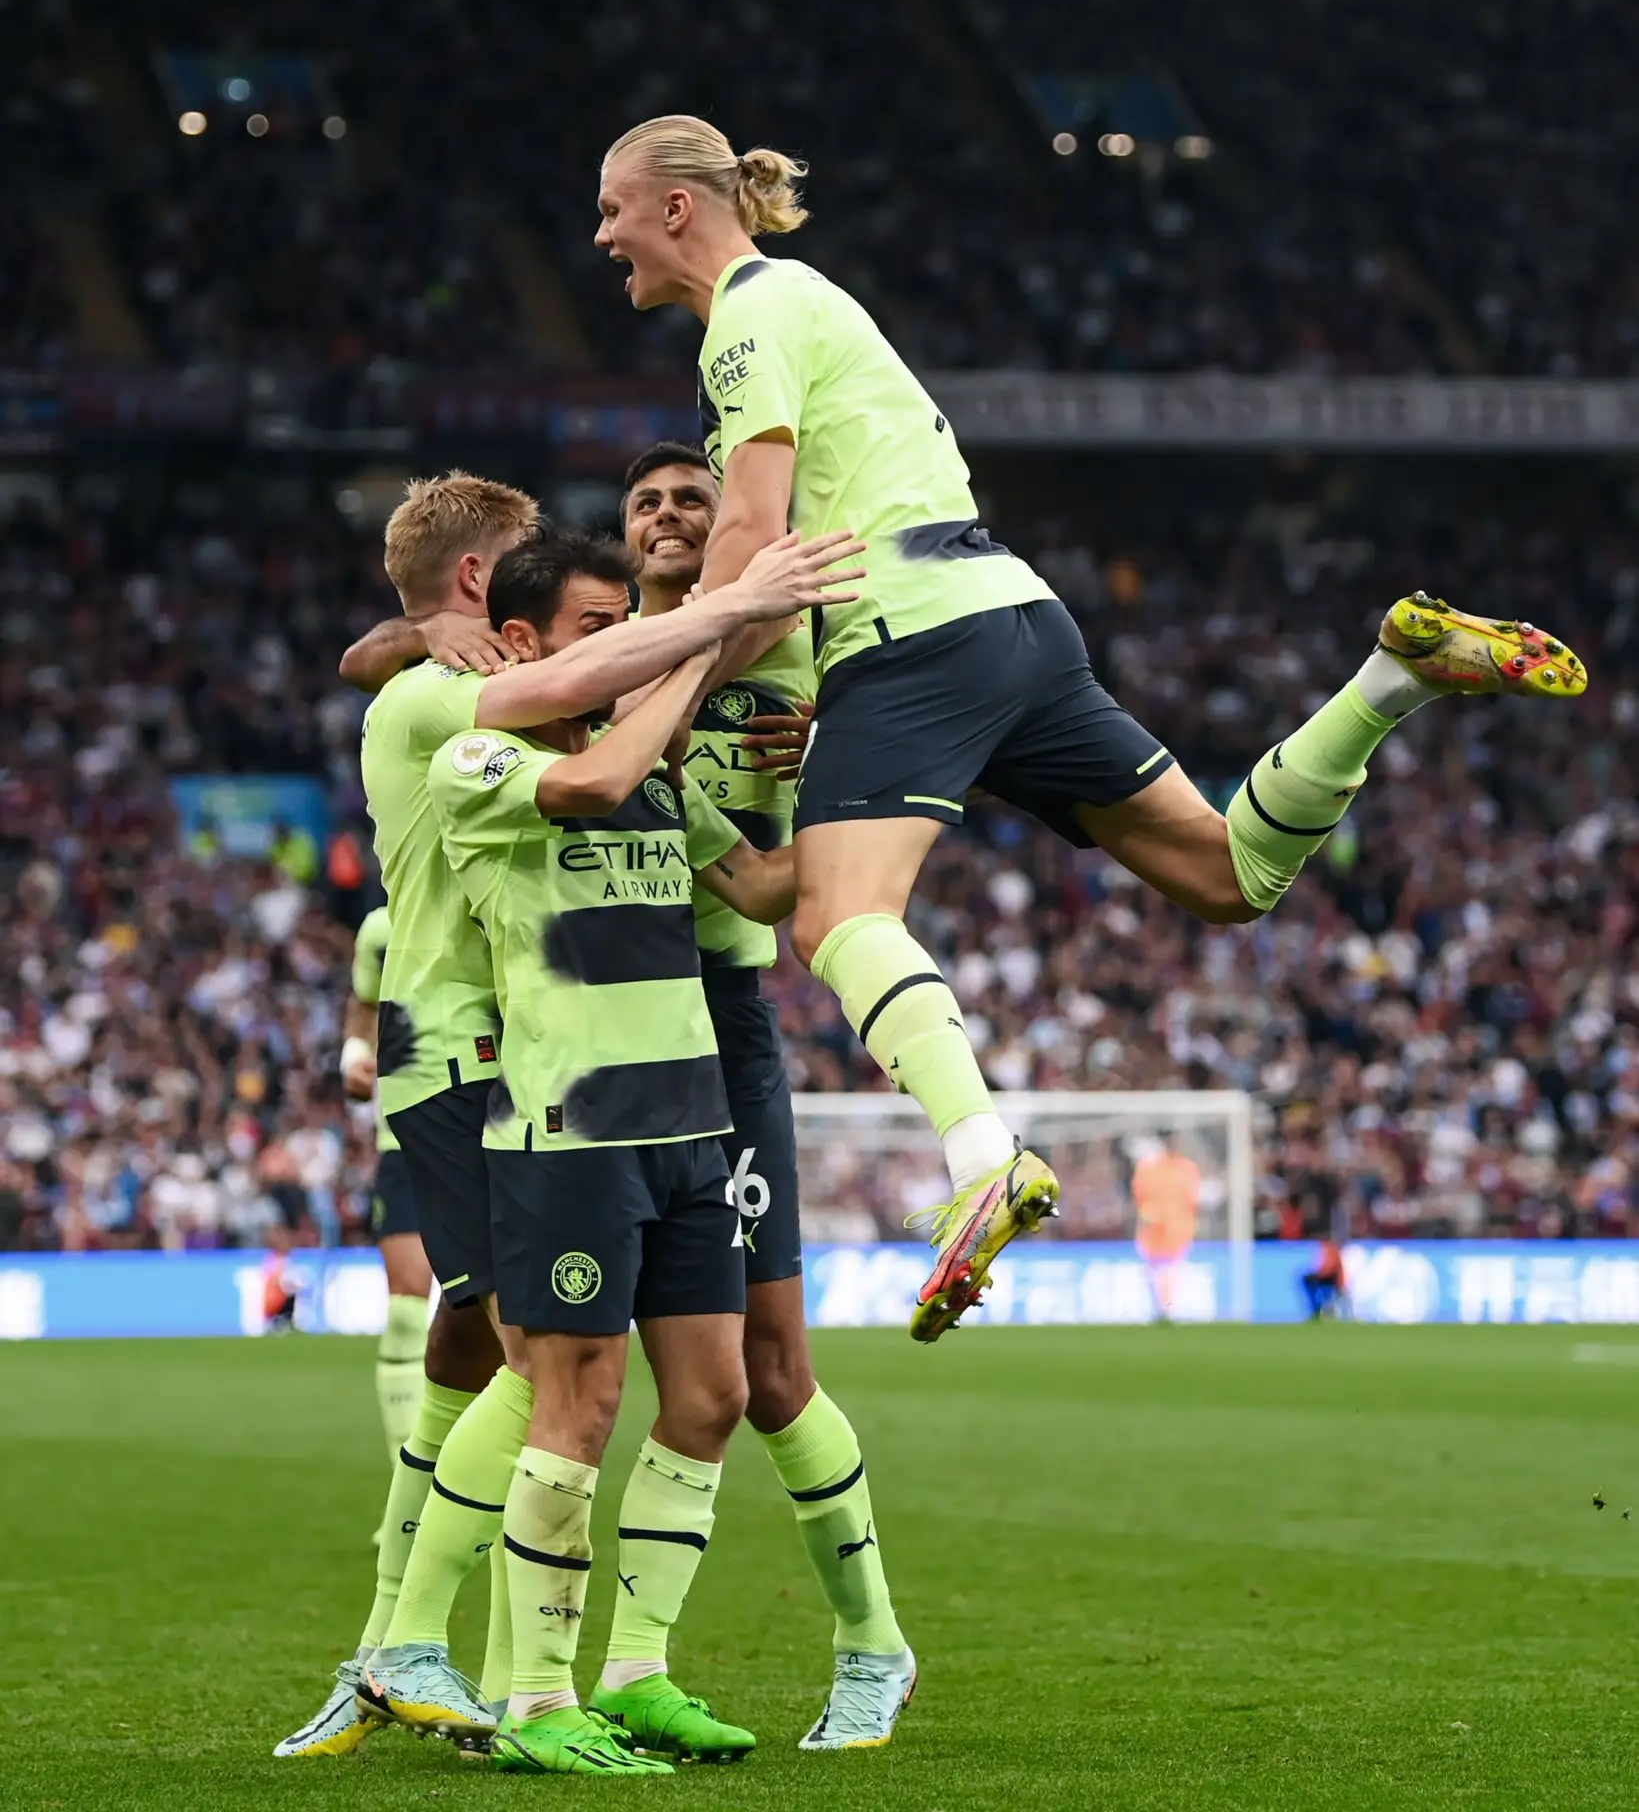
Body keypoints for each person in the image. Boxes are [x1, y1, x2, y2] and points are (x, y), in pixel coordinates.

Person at [593, 112, 1591, 1341]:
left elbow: (748, 543)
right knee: (1229, 874)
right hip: (1015, 614)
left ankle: (983, 1160)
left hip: (907, 627)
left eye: (613, 207)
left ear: (677, 207)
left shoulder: (747, 317)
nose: (602, 236)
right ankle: (1394, 672)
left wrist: (657, 697)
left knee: (842, 918)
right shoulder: (806, 301)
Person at [276, 474, 862, 1758]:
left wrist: (870, 780)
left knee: (531, 1357)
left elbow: (751, 873)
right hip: (477, 1058)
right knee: (536, 1365)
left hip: (614, 1087)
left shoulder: (559, 720)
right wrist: (728, 622)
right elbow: (566, 741)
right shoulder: (453, 708)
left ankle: (458, 1643)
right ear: (496, 596)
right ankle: (436, 1648)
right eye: (566, 598)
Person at [428, 528, 815, 1774]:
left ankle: (638, 1671)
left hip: (691, 1133)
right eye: (604, 630)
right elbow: (589, 784)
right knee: (579, 1401)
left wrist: (868, 774)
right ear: (527, 643)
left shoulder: (659, 776)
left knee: (713, 1396)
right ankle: (537, 1696)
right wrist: (703, 647)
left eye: (624, 626)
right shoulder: (477, 755)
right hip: (570, 1137)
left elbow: (761, 892)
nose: (626, 644)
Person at [622, 441, 915, 1750]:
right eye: (649, 503)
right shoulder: (594, 652)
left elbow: (791, 884)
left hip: (718, 1027)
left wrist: (819, 776)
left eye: (695, 496)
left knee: (771, 1370)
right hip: (582, 1035)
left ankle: (871, 1646)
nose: (675, 515)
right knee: (549, 1369)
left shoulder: (804, 653)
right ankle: (458, 1657)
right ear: (621, 538)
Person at [341, 904, 432, 1463]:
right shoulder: (380, 927)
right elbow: (364, 1005)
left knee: (495, 1328)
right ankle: (410, 1489)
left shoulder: (497, 896)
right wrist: (355, 1055)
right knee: (405, 1314)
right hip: (405, 1138)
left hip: (492, 1135)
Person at [1131, 1133, 1201, 1325]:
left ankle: (1168, 1309)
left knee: (1169, 1268)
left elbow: (1193, 1198)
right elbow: (1140, 1196)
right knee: (1159, 1269)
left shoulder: (1184, 1168)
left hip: (1174, 1227)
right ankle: (1162, 1308)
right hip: (1157, 1227)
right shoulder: (1152, 1168)